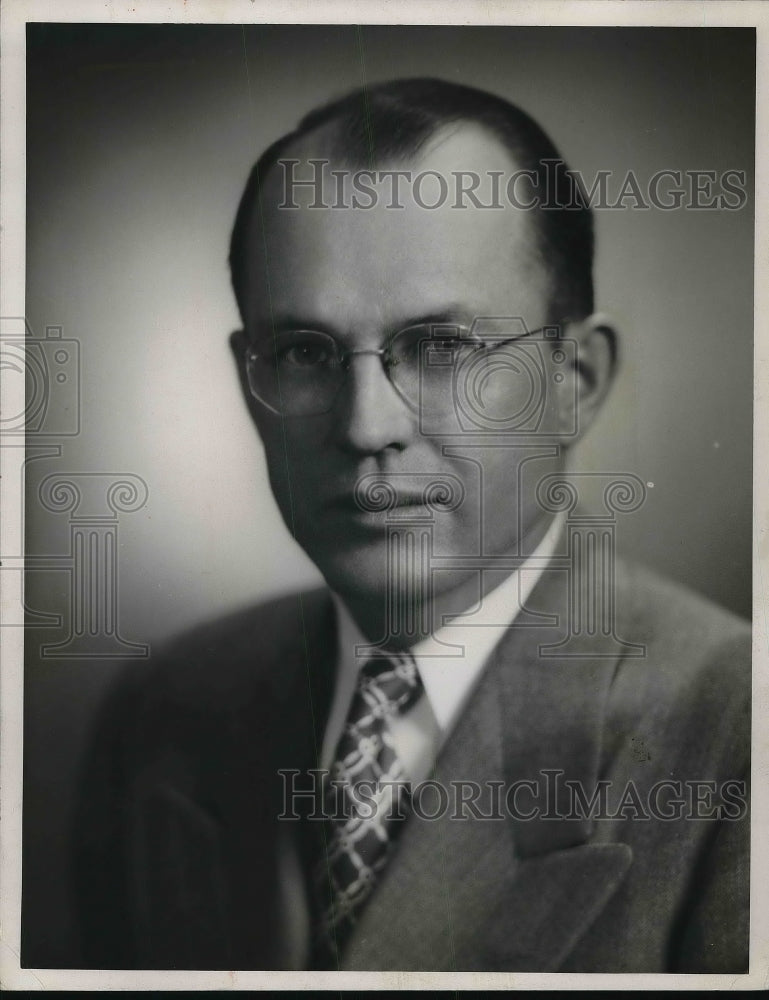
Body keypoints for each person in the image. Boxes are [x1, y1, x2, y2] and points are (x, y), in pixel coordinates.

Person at [75, 78, 750, 973]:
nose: (365, 426)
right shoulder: (164, 713)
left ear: (575, 380)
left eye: (442, 349)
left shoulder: (738, 736)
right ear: (250, 380)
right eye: (305, 354)